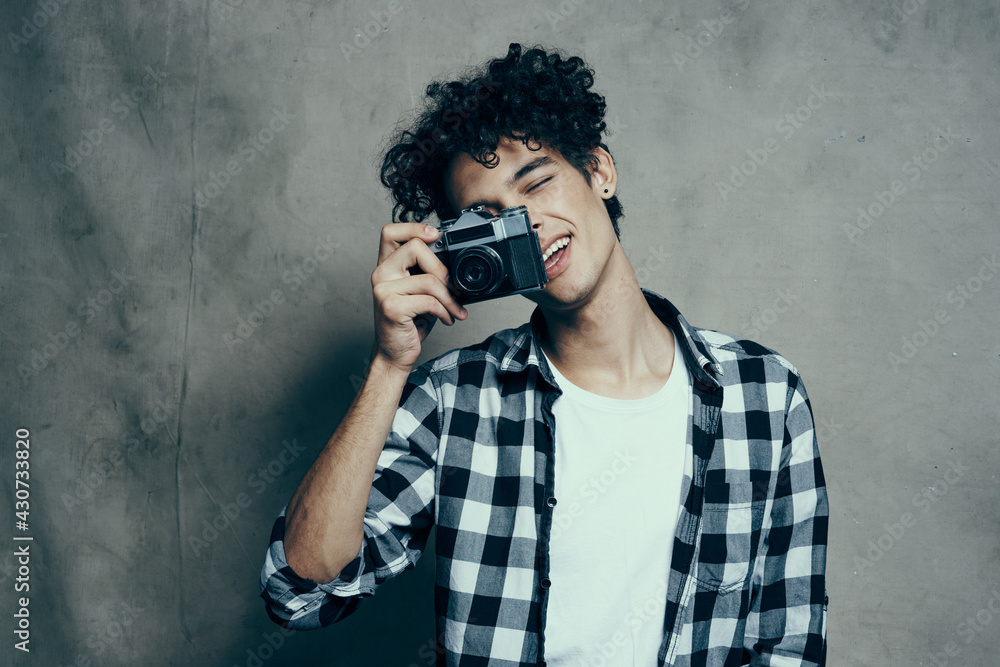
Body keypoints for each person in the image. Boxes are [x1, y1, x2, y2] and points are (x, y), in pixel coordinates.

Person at [259, 43, 828, 666]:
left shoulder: (763, 395)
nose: (525, 224)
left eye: (538, 182)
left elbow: (789, 645)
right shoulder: (454, 401)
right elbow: (301, 592)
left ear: (599, 171)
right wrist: (388, 365)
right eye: (490, 218)